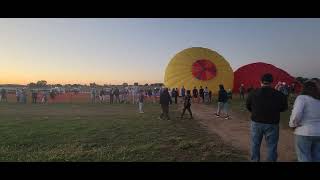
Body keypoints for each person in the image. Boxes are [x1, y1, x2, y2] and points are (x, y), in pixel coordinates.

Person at [246, 73, 288, 162]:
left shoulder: (253, 93)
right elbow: (284, 108)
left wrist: (255, 111)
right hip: (272, 123)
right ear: (272, 82)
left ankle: (255, 160)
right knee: (272, 146)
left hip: (256, 122)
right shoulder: (279, 94)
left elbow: (248, 106)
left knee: (255, 144)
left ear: (260, 81)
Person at [289, 80, 320, 162]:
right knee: (317, 156)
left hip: (304, 131)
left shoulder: (302, 98)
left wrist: (292, 125)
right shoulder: (318, 100)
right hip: (318, 132)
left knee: (304, 157)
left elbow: (296, 113)